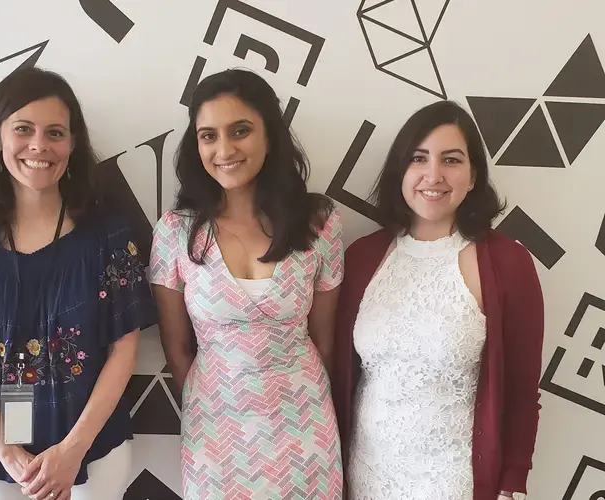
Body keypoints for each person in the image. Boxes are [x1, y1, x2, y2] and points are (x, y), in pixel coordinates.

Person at [0, 67, 156, 500]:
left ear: (74, 143)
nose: (39, 146)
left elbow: (125, 350)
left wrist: (72, 450)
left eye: (55, 133)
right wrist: (10, 454)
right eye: (23, 129)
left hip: (92, 452)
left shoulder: (110, 235)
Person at [331, 100, 544, 500]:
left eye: (451, 160)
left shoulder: (508, 263)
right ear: (401, 171)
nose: (434, 175)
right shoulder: (361, 257)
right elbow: (341, 374)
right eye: (419, 158)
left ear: (472, 174)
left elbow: (521, 388)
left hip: (454, 481)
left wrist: (513, 481)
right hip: (366, 474)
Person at [148, 68, 344, 499]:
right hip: (215, 430)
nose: (224, 149)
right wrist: (214, 402)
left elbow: (324, 343)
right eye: (208, 136)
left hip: (306, 426)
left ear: (269, 135)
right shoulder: (175, 232)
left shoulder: (319, 223)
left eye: (240, 131)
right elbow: (177, 351)